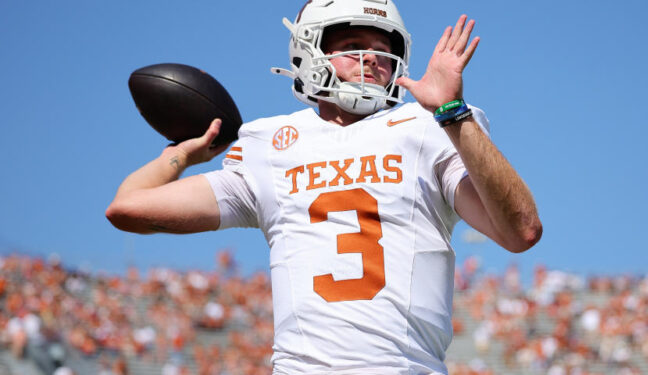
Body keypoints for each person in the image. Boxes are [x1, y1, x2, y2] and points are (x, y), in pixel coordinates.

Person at [106, 0, 542, 373]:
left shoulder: (428, 126)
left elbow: (520, 231)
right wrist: (183, 154)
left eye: (383, 51)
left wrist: (452, 112)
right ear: (310, 51)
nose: (372, 59)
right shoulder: (269, 145)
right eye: (354, 47)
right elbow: (127, 207)